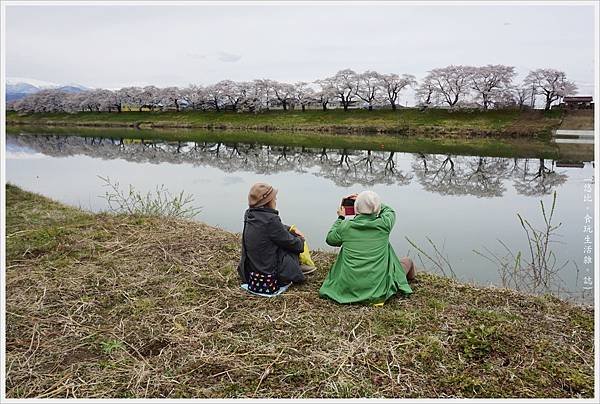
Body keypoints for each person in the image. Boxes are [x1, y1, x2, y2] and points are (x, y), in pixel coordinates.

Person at [319, 190, 415, 305]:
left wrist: (340, 218)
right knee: (407, 261)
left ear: (355, 209)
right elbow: (390, 211)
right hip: (377, 291)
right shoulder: (384, 224)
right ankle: (407, 281)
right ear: (378, 209)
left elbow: (330, 239)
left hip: (349, 287)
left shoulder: (345, 226)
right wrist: (372, 203)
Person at [237, 182, 316, 295]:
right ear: (268, 201)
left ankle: (296, 266)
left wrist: (290, 229)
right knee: (291, 245)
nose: (275, 200)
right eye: (274, 198)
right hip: (268, 274)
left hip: (250, 271)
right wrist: (300, 239)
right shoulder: (271, 220)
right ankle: (296, 268)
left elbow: (269, 228)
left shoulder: (249, 214)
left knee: (283, 239)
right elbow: (294, 244)